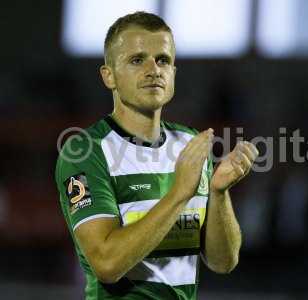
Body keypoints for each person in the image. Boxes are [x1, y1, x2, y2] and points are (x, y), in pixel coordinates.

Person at [55, 11, 258, 300]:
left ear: (173, 73)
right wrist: (179, 194)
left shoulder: (189, 143)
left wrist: (218, 192)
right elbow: (107, 264)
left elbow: (223, 262)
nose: (154, 69)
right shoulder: (85, 151)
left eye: (163, 60)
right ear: (109, 76)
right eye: (137, 60)